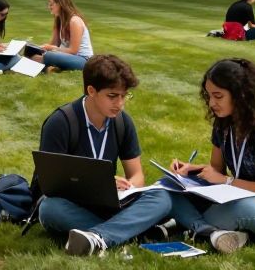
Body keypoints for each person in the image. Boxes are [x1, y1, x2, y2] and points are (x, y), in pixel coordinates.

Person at [167, 58, 255, 253]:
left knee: (236, 208)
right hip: (240, 196)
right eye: (208, 96)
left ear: (241, 95)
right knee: (172, 189)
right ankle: (216, 231)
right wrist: (191, 170)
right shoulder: (224, 123)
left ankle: (191, 225)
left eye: (218, 96)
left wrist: (226, 180)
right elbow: (216, 169)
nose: (212, 103)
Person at [38, 55, 173, 256]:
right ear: (91, 91)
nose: (120, 104)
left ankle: (98, 237)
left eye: (124, 96)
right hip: (75, 204)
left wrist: (130, 187)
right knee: (49, 209)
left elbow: (137, 174)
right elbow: (51, 185)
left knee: (162, 197)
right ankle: (132, 231)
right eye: (112, 96)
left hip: (112, 203)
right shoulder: (61, 122)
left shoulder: (123, 122)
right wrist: (102, 184)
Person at [31, 0, 94, 71]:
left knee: (48, 56)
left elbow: (73, 51)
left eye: (51, 4)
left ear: (60, 4)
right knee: (33, 53)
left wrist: (51, 48)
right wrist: (38, 48)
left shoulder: (75, 21)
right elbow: (53, 44)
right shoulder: (59, 20)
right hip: (67, 56)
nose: (49, 7)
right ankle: (50, 68)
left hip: (82, 59)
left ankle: (48, 66)